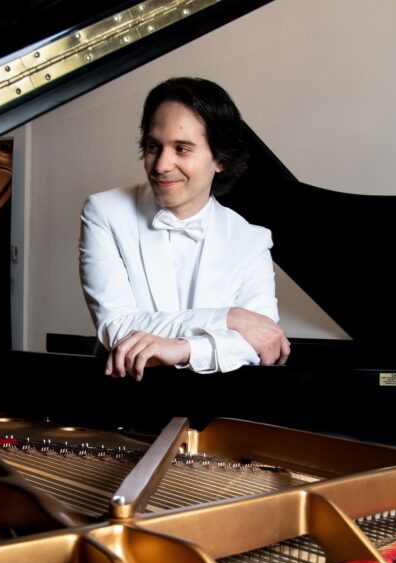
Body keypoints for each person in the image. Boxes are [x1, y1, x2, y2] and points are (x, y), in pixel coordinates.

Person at [79, 77, 289, 381]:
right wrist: (228, 318)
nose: (161, 165)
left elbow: (260, 343)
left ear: (220, 159)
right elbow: (119, 328)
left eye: (181, 149)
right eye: (154, 147)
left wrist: (182, 349)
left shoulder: (251, 240)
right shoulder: (104, 212)